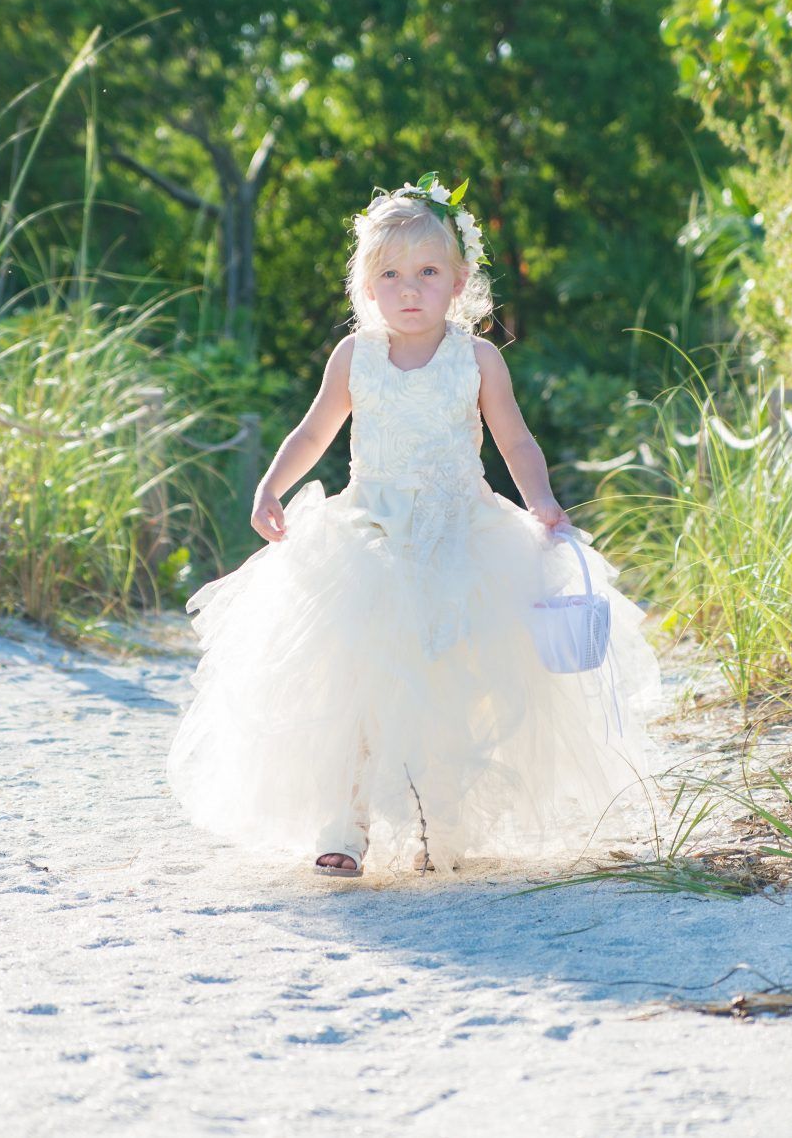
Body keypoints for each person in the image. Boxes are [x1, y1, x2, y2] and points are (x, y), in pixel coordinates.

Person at [165, 172, 671, 877]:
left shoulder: (478, 358)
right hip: (371, 535)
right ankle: (345, 823)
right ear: (367, 287)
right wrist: (272, 484)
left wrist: (542, 502)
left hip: (464, 534)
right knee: (357, 679)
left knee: (453, 684)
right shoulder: (355, 357)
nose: (410, 289)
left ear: (459, 280)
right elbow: (314, 433)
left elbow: (515, 441)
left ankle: (442, 822)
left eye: (428, 272)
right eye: (392, 274)